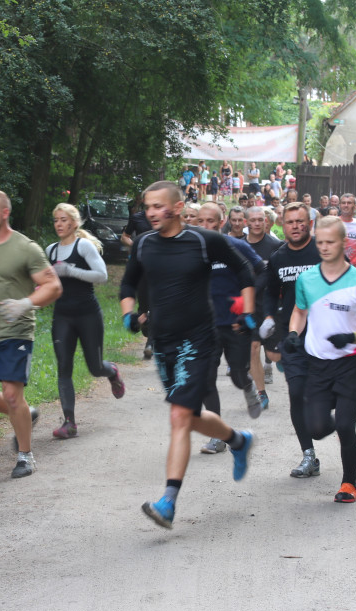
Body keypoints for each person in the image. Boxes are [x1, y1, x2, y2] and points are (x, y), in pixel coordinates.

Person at [119, 181, 257, 529]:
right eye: (147, 207)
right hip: (164, 342)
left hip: (199, 340)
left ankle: (168, 501)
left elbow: (244, 269)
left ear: (178, 208)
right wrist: (128, 311)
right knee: (190, 416)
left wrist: (248, 310)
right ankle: (238, 440)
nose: (150, 212)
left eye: (157, 206)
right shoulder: (145, 244)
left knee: (180, 417)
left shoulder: (203, 240)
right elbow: (128, 283)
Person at [0, 190, 63, 478]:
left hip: (16, 332)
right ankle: (25, 417)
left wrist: (26, 303)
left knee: (13, 396)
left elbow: (53, 286)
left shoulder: (26, 248)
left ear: (5, 213)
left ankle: (25, 455)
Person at [285, 216, 356, 503]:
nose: (324, 247)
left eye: (330, 242)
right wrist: (293, 333)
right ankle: (343, 414)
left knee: (345, 426)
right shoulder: (307, 279)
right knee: (316, 429)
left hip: (350, 363)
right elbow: (299, 312)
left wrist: (351, 337)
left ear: (343, 243)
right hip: (317, 363)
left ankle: (349, 484)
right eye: (320, 242)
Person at [46, 203, 126, 438]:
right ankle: (69, 423)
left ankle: (111, 372)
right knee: (64, 367)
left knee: (95, 367)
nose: (59, 224)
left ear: (73, 222)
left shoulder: (84, 247)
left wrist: (70, 270)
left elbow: (102, 275)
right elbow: (48, 280)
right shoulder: (50, 250)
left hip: (87, 313)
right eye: (56, 220)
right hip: (62, 315)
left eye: (63, 220)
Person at [259, 202, 322, 477]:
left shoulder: (323, 249)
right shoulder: (278, 257)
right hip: (292, 334)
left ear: (309, 223)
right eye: (290, 222)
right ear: (282, 226)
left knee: (324, 394)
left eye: (300, 221)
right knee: (297, 394)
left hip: (324, 333)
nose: (295, 226)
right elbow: (270, 292)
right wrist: (269, 317)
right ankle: (309, 456)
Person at [198, 201, 264, 454]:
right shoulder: (191, 250)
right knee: (206, 380)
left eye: (211, 221)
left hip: (235, 326)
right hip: (205, 326)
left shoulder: (235, 246)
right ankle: (217, 435)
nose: (205, 226)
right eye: (200, 221)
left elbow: (262, 271)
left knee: (237, 376)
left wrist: (247, 304)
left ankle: (248, 386)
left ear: (221, 221)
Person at [243, 206, 283, 408]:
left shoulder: (275, 245)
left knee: (274, 355)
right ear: (246, 222)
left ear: (266, 222)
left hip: (270, 306)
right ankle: (261, 393)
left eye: (261, 220)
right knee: (253, 348)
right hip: (249, 307)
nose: (257, 223)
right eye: (253, 220)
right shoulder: (238, 246)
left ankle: (279, 359)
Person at [121, 199, 154, 358]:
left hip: (159, 266)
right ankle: (147, 328)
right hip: (141, 266)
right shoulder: (136, 218)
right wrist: (135, 245)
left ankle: (151, 344)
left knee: (157, 305)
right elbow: (124, 237)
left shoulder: (164, 219)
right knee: (144, 304)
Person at [338, 193, 356, 266]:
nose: (346, 205)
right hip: (336, 266)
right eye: (343, 203)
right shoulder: (333, 222)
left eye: (349, 203)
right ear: (340, 206)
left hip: (353, 266)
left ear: (355, 206)